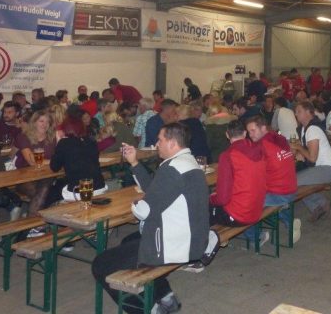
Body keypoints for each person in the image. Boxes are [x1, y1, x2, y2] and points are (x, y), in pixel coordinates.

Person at [92, 122, 211, 314]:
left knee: (101, 264)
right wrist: (134, 162)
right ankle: (165, 296)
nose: (156, 144)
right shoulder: (188, 163)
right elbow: (154, 189)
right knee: (128, 241)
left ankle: (146, 309)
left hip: (177, 244)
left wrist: (135, 203)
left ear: (172, 143)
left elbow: (143, 211)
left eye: (160, 140)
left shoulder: (172, 169)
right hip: (194, 239)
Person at [245, 116, 300, 242]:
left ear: (263, 128)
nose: (250, 135)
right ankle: (289, 220)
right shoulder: (279, 138)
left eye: (253, 130)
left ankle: (257, 237)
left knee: (245, 204)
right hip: (291, 189)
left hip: (279, 193)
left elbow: (252, 174)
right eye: (248, 132)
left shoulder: (261, 146)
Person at [209, 120, 266, 228]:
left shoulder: (228, 156)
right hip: (257, 209)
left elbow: (222, 199)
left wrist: (211, 198)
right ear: (245, 133)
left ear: (227, 135)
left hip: (239, 215)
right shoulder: (260, 149)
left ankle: (210, 238)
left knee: (204, 206)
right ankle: (253, 235)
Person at [291, 101, 331, 221]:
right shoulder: (304, 129)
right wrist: (299, 153)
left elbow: (312, 158)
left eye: (299, 111)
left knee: (291, 182)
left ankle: (320, 203)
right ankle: (319, 205)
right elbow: (307, 154)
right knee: (295, 180)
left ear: (308, 112)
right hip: (322, 168)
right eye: (295, 112)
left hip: (328, 169)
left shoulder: (312, 129)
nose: (296, 114)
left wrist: (298, 148)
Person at [13, 111, 56, 229]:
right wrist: (51, 161)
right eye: (41, 121)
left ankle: (31, 225)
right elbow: (32, 161)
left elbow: (60, 157)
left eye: (48, 122)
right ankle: (34, 223)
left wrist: (48, 161)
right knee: (44, 193)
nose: (45, 124)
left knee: (45, 188)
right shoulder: (23, 136)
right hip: (24, 176)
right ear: (34, 122)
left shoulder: (52, 138)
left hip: (46, 175)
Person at [51, 115, 107, 202]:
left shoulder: (64, 143)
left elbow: (54, 167)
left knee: (54, 189)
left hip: (78, 192)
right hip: (100, 187)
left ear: (65, 129)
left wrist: (58, 142)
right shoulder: (91, 140)